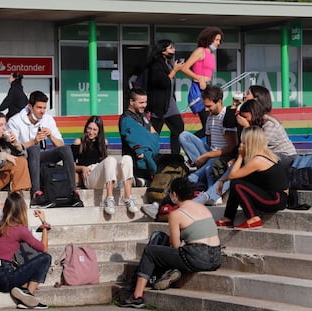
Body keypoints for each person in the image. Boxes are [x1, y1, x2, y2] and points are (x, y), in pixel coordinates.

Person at [119, 177, 221, 308]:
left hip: (197, 257)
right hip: (216, 257)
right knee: (172, 253)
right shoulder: (204, 209)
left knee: (151, 252)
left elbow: (175, 246)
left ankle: (137, 295)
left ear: (174, 195)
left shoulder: (176, 214)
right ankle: (169, 272)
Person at [7, 90, 83, 208]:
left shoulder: (48, 119)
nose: (42, 111)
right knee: (34, 148)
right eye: (39, 108)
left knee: (66, 149)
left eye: (44, 108)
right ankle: (36, 194)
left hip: (42, 157)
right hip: (25, 158)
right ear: (30, 107)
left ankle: (73, 192)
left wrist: (51, 136)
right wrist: (34, 141)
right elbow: (14, 149)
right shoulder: (15, 121)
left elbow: (61, 144)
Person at [0, 191, 50, 309]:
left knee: (21, 261)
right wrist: (44, 224)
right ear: (22, 210)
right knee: (46, 258)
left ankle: (23, 291)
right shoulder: (20, 229)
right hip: (4, 276)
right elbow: (43, 248)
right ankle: (29, 295)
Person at [215, 126, 289, 229]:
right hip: (275, 196)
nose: (241, 145)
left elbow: (233, 175)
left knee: (237, 184)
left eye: (243, 142)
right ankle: (228, 218)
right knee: (238, 182)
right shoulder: (265, 155)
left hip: (275, 199)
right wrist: (223, 180)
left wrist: (240, 156)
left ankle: (253, 218)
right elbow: (238, 174)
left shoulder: (258, 160)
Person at [179, 85, 238, 198]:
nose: (206, 109)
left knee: (198, 174)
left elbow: (231, 147)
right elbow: (210, 143)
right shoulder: (210, 117)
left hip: (221, 155)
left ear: (219, 102)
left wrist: (206, 156)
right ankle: (198, 167)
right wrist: (201, 157)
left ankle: (205, 188)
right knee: (183, 136)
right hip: (211, 153)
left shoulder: (226, 116)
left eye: (209, 106)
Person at [72, 115, 138, 215]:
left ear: (99, 131)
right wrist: (82, 168)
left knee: (127, 158)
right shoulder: (79, 142)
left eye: (95, 129)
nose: (91, 132)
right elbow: (71, 165)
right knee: (110, 160)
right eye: (89, 128)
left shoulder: (103, 142)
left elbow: (105, 163)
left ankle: (128, 197)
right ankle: (109, 199)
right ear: (86, 128)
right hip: (90, 176)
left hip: (106, 176)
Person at [238, 89, 297, 170]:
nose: (244, 120)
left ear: (253, 114)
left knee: (256, 161)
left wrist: (247, 127)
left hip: (285, 156)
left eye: (246, 117)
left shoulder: (269, 124)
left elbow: (256, 147)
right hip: (268, 154)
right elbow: (245, 145)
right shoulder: (255, 123)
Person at [181, 27, 224, 138]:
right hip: (198, 89)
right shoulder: (200, 51)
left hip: (207, 88)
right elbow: (185, 68)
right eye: (216, 40)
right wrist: (199, 78)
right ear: (209, 39)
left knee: (210, 123)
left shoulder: (212, 55)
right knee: (206, 125)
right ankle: (187, 142)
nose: (218, 43)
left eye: (220, 40)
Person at [146, 39, 184, 155]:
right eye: (171, 48)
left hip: (169, 103)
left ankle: (175, 157)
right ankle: (150, 157)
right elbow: (163, 82)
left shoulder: (167, 63)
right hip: (159, 105)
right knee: (154, 133)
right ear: (163, 50)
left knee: (178, 128)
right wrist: (175, 70)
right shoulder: (156, 64)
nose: (174, 50)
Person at [119, 87, 160, 183]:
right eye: (141, 103)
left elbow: (155, 135)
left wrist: (148, 142)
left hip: (149, 161)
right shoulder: (126, 119)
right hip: (136, 164)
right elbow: (134, 141)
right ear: (131, 102)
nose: (144, 105)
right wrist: (144, 145)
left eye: (145, 102)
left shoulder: (143, 116)